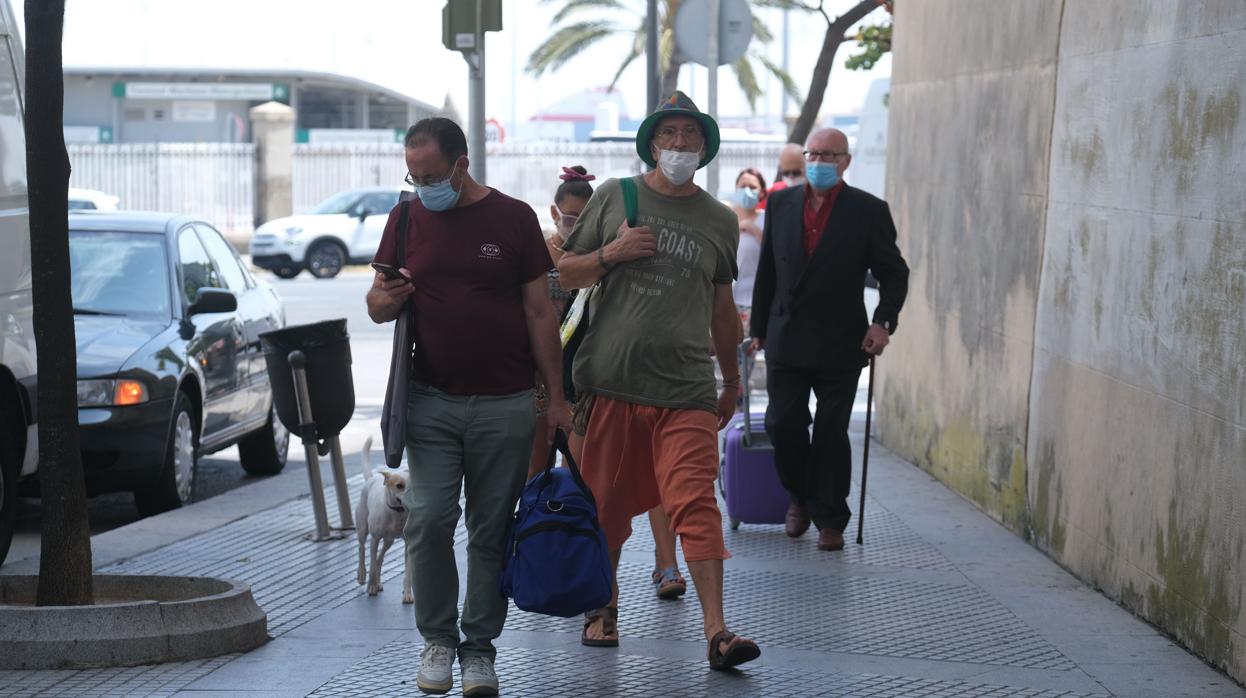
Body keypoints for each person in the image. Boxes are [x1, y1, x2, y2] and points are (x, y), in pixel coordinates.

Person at [367, 117, 571, 697]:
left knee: (489, 529)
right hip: (429, 400)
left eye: (432, 174)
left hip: (505, 402)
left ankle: (479, 650)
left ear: (461, 164)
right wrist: (385, 298)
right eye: (414, 174)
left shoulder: (513, 219)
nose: (423, 184)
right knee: (429, 519)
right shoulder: (405, 218)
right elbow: (378, 302)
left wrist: (555, 399)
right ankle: (438, 640)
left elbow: (540, 312)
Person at [557, 91, 761, 671]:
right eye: (668, 134)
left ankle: (718, 631)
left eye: (689, 136)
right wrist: (613, 253)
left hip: (687, 390)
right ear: (650, 143)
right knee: (604, 508)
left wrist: (730, 380)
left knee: (696, 501)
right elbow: (564, 271)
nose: (678, 145)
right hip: (611, 383)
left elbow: (723, 310)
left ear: (704, 146)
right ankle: (604, 608)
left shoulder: (720, 220)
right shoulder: (614, 197)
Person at [749, 127, 909, 552]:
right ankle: (798, 496)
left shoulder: (868, 210)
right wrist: (757, 331)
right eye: (813, 154)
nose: (819, 162)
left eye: (829, 155)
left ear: (845, 161)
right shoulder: (781, 202)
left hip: (842, 338)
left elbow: (895, 273)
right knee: (783, 424)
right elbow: (767, 271)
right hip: (786, 335)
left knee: (832, 431)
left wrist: (882, 323)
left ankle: (831, 517)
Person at [526, 165, 595, 481]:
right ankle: (534, 529)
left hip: (580, 378)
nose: (577, 225)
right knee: (535, 471)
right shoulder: (536, 251)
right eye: (570, 218)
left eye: (585, 218)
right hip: (537, 374)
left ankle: (569, 529)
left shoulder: (597, 258)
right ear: (554, 212)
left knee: (577, 475)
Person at [730, 167, 767, 324]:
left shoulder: (766, 219)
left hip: (755, 300)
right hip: (726, 299)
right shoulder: (726, 217)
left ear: (762, 192)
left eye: (752, 187)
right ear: (735, 188)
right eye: (743, 186)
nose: (747, 191)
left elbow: (774, 253)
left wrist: (754, 230)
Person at [760, 142, 806, 209]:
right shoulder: (773, 192)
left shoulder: (816, 193)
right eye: (786, 173)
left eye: (796, 172)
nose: (791, 177)